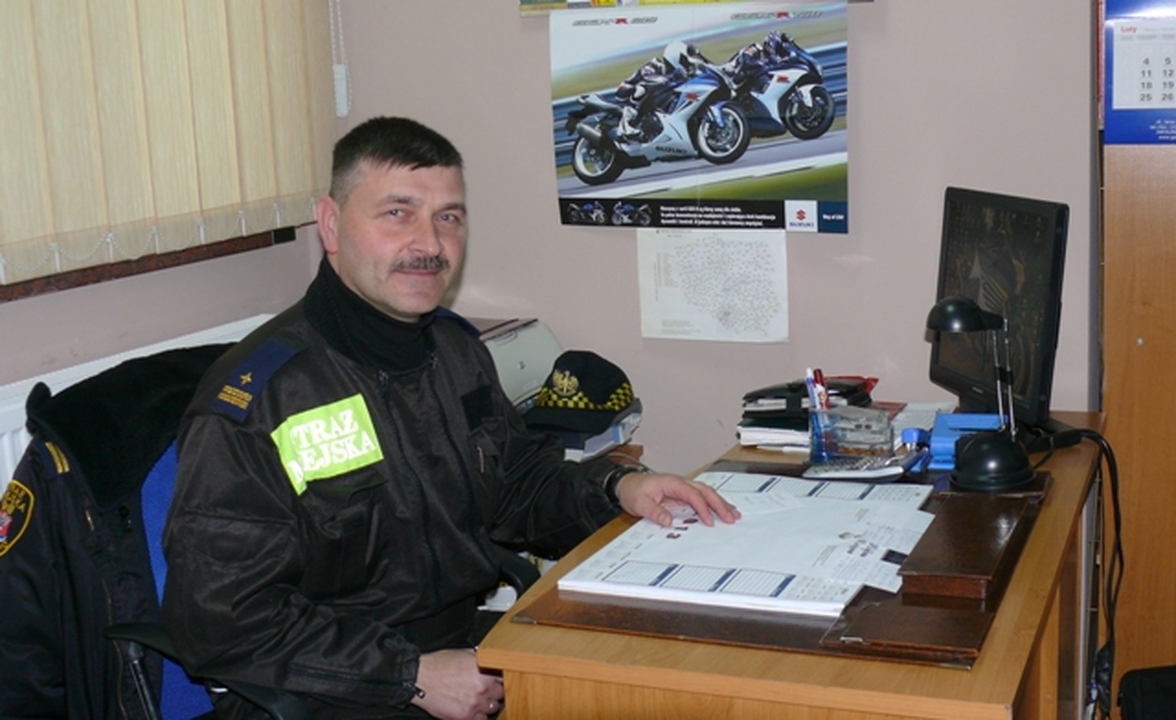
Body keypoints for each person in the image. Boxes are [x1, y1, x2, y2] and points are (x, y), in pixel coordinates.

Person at [161, 116, 740, 720]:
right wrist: (410, 676)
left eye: (449, 218)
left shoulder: (454, 353)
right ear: (330, 224)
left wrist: (618, 487)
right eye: (398, 213)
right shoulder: (265, 400)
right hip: (328, 688)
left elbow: (517, 486)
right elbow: (220, 619)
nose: (430, 244)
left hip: (457, 650)